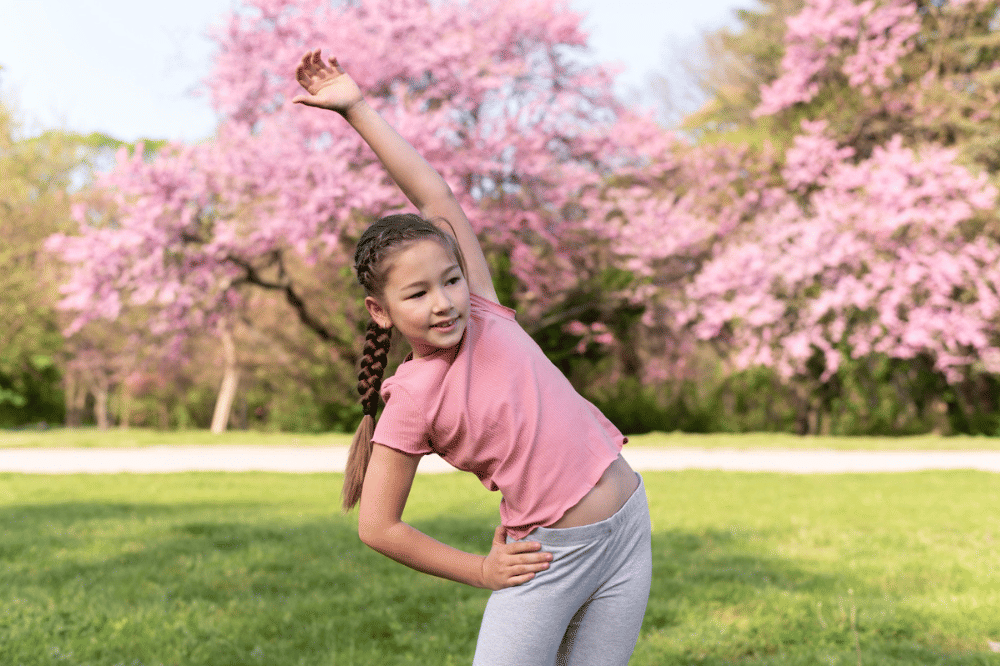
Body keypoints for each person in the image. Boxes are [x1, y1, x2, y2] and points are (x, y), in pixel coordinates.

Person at [293, 48, 652, 665]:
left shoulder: (483, 311)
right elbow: (377, 526)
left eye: (451, 280)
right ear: (381, 311)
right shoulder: (412, 396)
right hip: (547, 558)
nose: (444, 302)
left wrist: (357, 109)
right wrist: (481, 570)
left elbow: (432, 192)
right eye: (416, 294)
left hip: (627, 528)